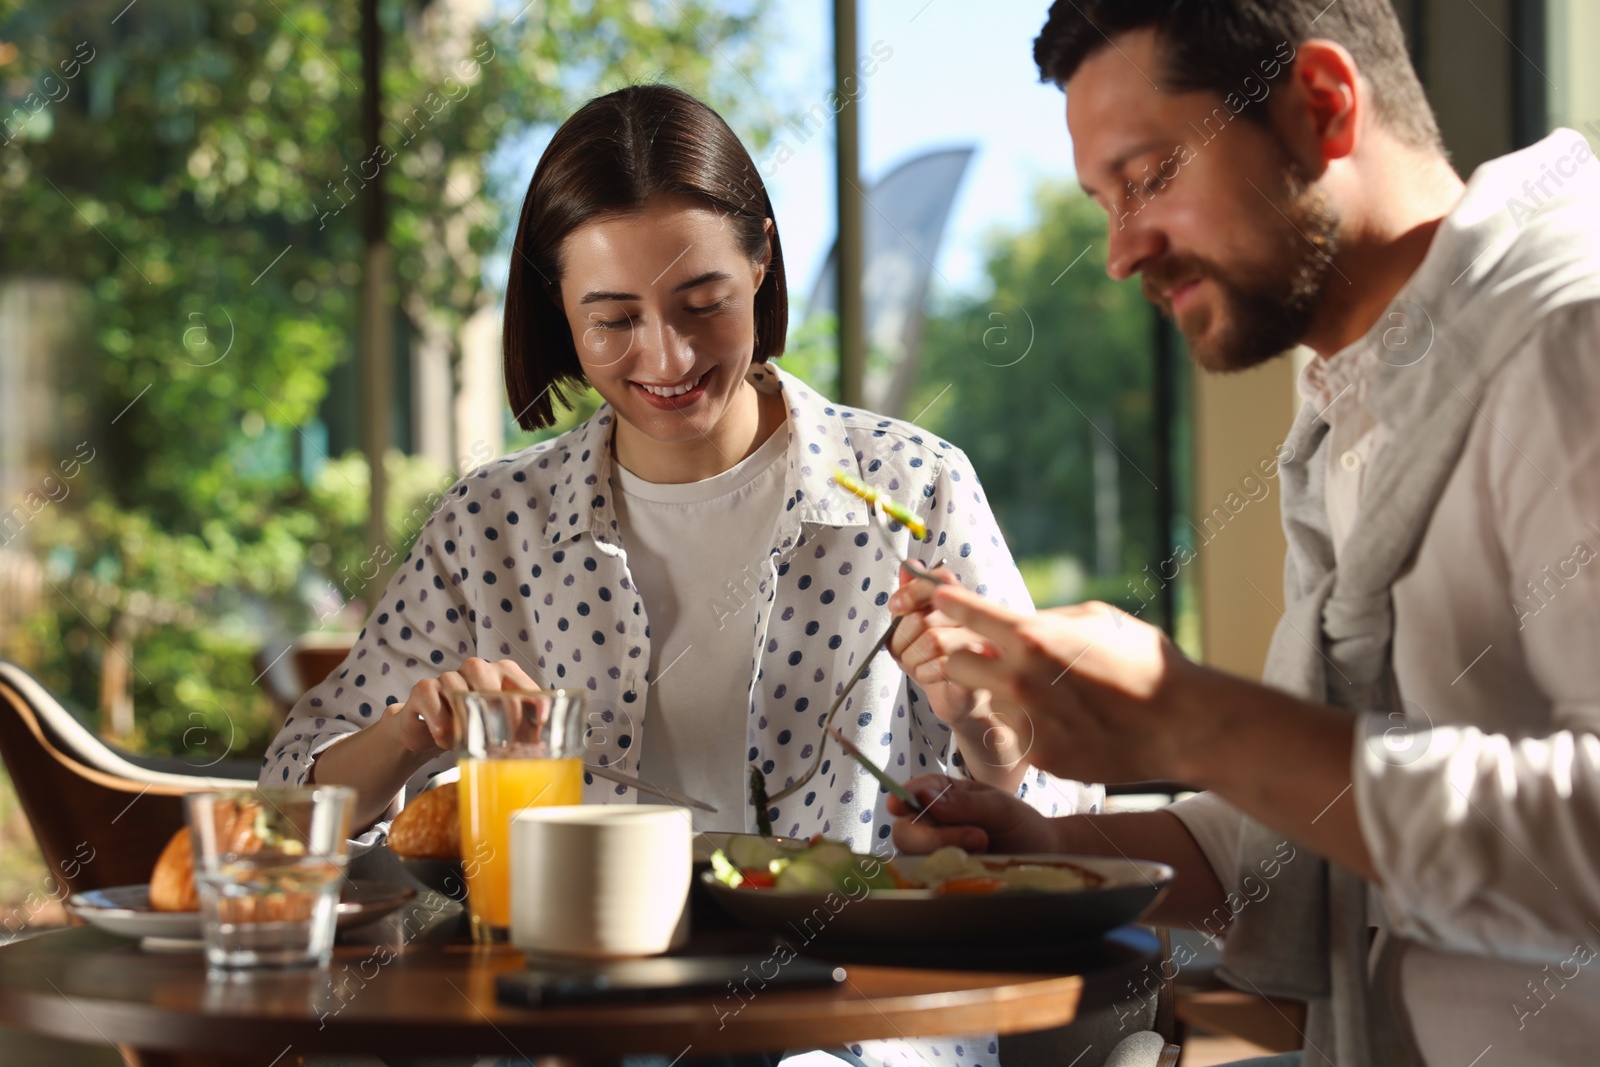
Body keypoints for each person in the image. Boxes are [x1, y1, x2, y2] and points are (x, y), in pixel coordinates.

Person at [261, 84, 1097, 1067]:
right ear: (556, 308)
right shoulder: (491, 525)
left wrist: (992, 737)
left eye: (704, 303)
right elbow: (287, 805)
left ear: (761, 260)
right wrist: (412, 730)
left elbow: (1064, 828)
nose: (667, 355)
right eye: (612, 320)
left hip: (856, 1036)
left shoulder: (911, 488)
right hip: (565, 1036)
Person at [886, 2, 1600, 1066]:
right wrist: (1054, 851)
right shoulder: (1350, 411)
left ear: (1321, 106)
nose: (1121, 252)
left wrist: (1192, 716)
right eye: (1103, 200)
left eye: (1150, 175)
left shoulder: (1567, 342)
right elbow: (1327, 802)